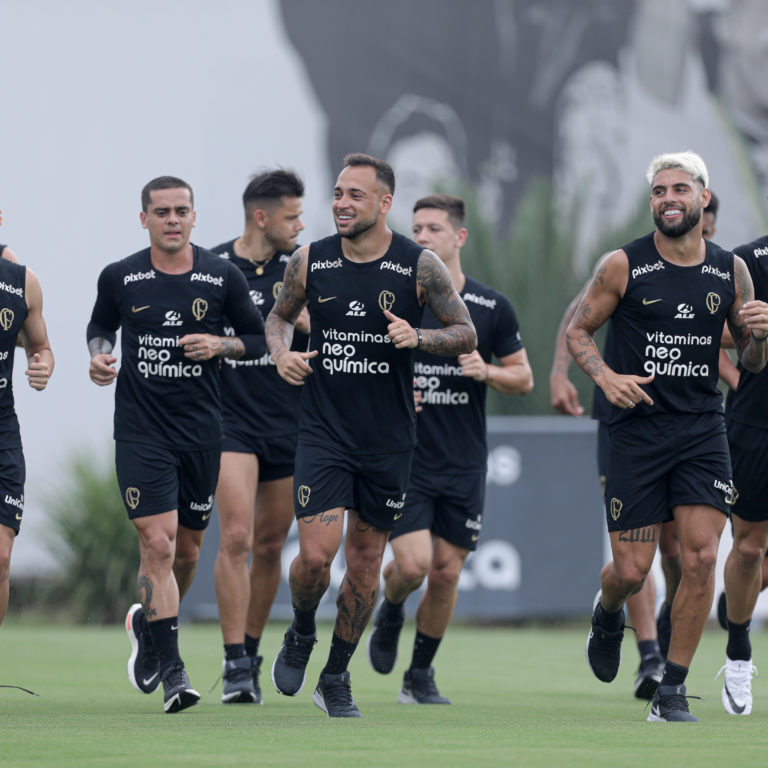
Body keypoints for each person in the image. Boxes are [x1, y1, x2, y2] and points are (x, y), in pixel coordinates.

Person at [264, 153, 476, 718]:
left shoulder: (419, 265)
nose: (341, 203)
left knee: (364, 565)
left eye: (355, 195)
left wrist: (419, 338)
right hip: (324, 433)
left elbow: (465, 332)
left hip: (388, 441)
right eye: (337, 193)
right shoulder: (310, 260)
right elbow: (280, 315)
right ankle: (302, 630)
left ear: (385, 204)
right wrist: (280, 353)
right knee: (314, 557)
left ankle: (335, 677)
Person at [566, 151, 768, 722]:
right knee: (632, 571)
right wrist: (604, 376)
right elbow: (580, 330)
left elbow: (749, 361)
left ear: (703, 199)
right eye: (659, 191)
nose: (669, 198)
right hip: (636, 433)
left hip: (704, 431)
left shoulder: (731, 270)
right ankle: (608, 615)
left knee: (702, 558)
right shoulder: (622, 265)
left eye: (680, 188)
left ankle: (672, 690)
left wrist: (759, 337)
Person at [86, 176, 266, 714]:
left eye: (181, 210)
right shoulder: (121, 275)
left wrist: (220, 343)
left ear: (194, 217)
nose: (171, 219)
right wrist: (99, 355)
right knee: (158, 545)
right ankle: (174, 671)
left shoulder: (220, 275)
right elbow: (100, 327)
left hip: (202, 434)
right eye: (161, 211)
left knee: (186, 553)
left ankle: (148, 626)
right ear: (144, 219)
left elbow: (256, 339)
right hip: (142, 431)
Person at [366, 194, 532, 703]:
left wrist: (488, 371)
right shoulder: (395, 300)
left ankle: (418, 677)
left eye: (434, 228)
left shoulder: (489, 307)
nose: (422, 237)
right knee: (413, 566)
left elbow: (523, 378)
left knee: (446, 572)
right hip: (407, 459)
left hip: (463, 463)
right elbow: (364, 370)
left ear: (458, 238)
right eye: (415, 228)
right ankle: (391, 606)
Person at [209, 169, 308, 704]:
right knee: (239, 537)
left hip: (289, 425)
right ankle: (234, 666)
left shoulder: (304, 270)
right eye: (292, 216)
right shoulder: (212, 267)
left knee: (270, 546)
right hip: (230, 423)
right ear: (261, 217)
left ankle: (250, 648)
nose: (301, 224)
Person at [715, 204, 768, 716]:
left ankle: (734, 606)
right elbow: (716, 333)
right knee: (749, 550)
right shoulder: (748, 260)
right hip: (757, 424)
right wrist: (754, 331)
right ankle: (737, 650)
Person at [0, 230, 54, 635]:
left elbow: (40, 346)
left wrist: (42, 363)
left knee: (1, 558)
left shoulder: (21, 280)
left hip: (3, 432)